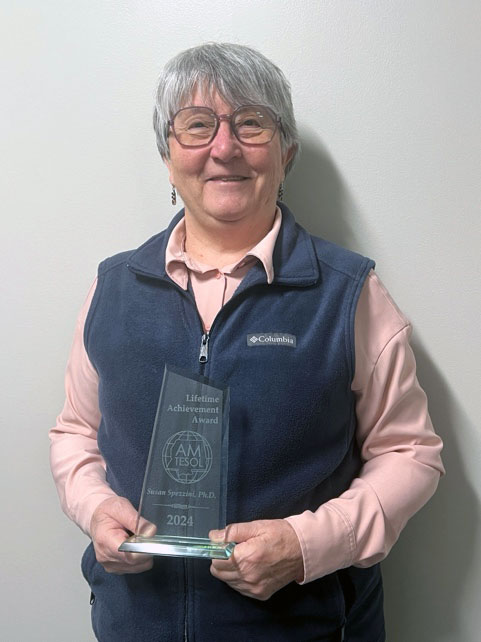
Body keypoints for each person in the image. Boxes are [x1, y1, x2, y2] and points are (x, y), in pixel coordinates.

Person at [49, 42, 444, 642]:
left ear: (285, 153)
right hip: (136, 622)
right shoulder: (112, 287)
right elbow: (77, 433)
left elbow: (410, 454)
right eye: (197, 125)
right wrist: (94, 510)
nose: (224, 148)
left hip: (305, 627)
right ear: (167, 153)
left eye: (251, 123)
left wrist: (306, 544)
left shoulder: (349, 292)